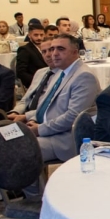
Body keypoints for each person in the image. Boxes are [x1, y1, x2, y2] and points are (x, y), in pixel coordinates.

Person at [23, 34, 101, 162]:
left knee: (15, 149)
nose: (54, 54)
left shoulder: (84, 76)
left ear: (75, 52)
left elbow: (72, 117)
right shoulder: (61, 72)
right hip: (46, 128)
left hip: (63, 138)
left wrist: (39, 129)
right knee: (1, 137)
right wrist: (32, 119)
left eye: (60, 49)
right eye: (52, 49)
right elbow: (47, 105)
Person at [8, 37, 55, 121]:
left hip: (43, 118)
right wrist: (15, 112)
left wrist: (26, 116)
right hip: (25, 115)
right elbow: (26, 99)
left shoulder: (64, 76)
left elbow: (54, 108)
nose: (47, 55)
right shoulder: (40, 72)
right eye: (44, 52)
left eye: (51, 50)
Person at [15, 23, 48, 88]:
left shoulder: (47, 48)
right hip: (35, 83)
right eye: (36, 35)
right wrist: (36, 81)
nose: (39, 38)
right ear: (29, 35)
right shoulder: (25, 50)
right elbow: (21, 72)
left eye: (41, 35)